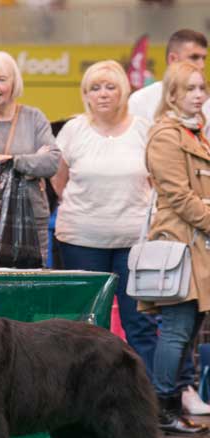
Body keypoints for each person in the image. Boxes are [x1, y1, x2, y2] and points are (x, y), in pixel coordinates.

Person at [51, 60, 158, 379]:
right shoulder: (72, 130)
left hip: (135, 245)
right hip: (81, 242)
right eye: (95, 88)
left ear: (124, 90)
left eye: (110, 86)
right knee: (86, 325)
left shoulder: (144, 129)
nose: (103, 94)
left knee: (139, 323)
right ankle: (81, 400)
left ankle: (146, 400)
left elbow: (156, 183)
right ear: (85, 94)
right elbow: (59, 182)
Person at [130, 28, 210, 415]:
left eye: (202, 87)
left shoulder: (194, 134)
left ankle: (173, 404)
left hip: (196, 246)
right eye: (191, 88)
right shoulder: (166, 135)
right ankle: (161, 406)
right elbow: (179, 197)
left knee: (189, 332)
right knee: (177, 331)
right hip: (179, 245)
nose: (199, 94)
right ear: (173, 93)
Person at [0, 51, 60, 266]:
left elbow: (52, 162)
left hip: (31, 220)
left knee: (32, 285)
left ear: (14, 83)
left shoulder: (34, 118)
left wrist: (12, 161)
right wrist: (32, 160)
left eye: (1, 79)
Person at [129, 29, 210, 133]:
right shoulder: (141, 100)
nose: (202, 65)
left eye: (204, 58)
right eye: (194, 57)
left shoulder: (207, 102)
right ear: (173, 59)